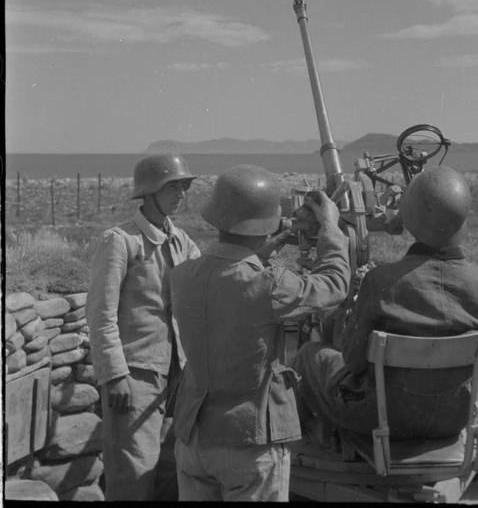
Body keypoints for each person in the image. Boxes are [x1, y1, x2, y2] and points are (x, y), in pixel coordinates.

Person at [169, 164, 350, 502]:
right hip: (249, 445)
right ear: (265, 223)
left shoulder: (182, 276)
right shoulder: (271, 285)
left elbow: (229, 275)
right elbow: (335, 285)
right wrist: (330, 227)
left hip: (193, 440)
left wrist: (267, 246)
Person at [294, 166, 478, 441]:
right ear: (463, 221)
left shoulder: (380, 282)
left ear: (407, 219)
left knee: (309, 355)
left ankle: (306, 446)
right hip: (455, 418)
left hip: (380, 418)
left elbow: (353, 360)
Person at [86, 153, 201, 501]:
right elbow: (101, 313)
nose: (181, 193)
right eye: (173, 186)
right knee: (132, 477)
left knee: (169, 473)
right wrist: (114, 374)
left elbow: (206, 280)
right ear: (150, 191)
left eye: (184, 186)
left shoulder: (181, 241)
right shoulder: (120, 241)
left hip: (176, 377)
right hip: (134, 379)